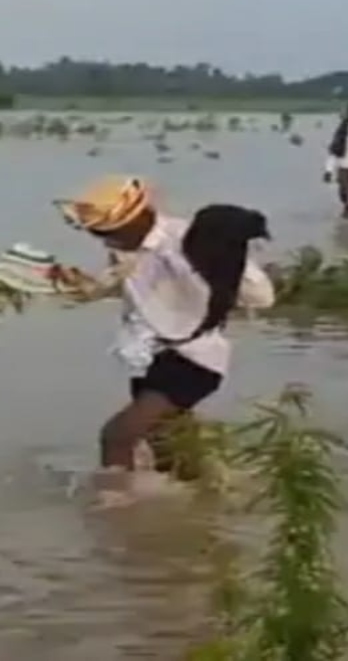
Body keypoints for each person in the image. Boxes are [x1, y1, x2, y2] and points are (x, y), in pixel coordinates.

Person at [56, 177, 275, 498]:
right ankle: (200, 509)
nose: (105, 241)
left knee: (118, 435)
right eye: (98, 234)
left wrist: (203, 267)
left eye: (109, 232)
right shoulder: (125, 249)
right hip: (149, 355)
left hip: (193, 359)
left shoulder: (193, 241)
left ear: (139, 219)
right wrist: (79, 286)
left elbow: (262, 297)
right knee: (170, 451)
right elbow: (125, 287)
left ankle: (115, 518)